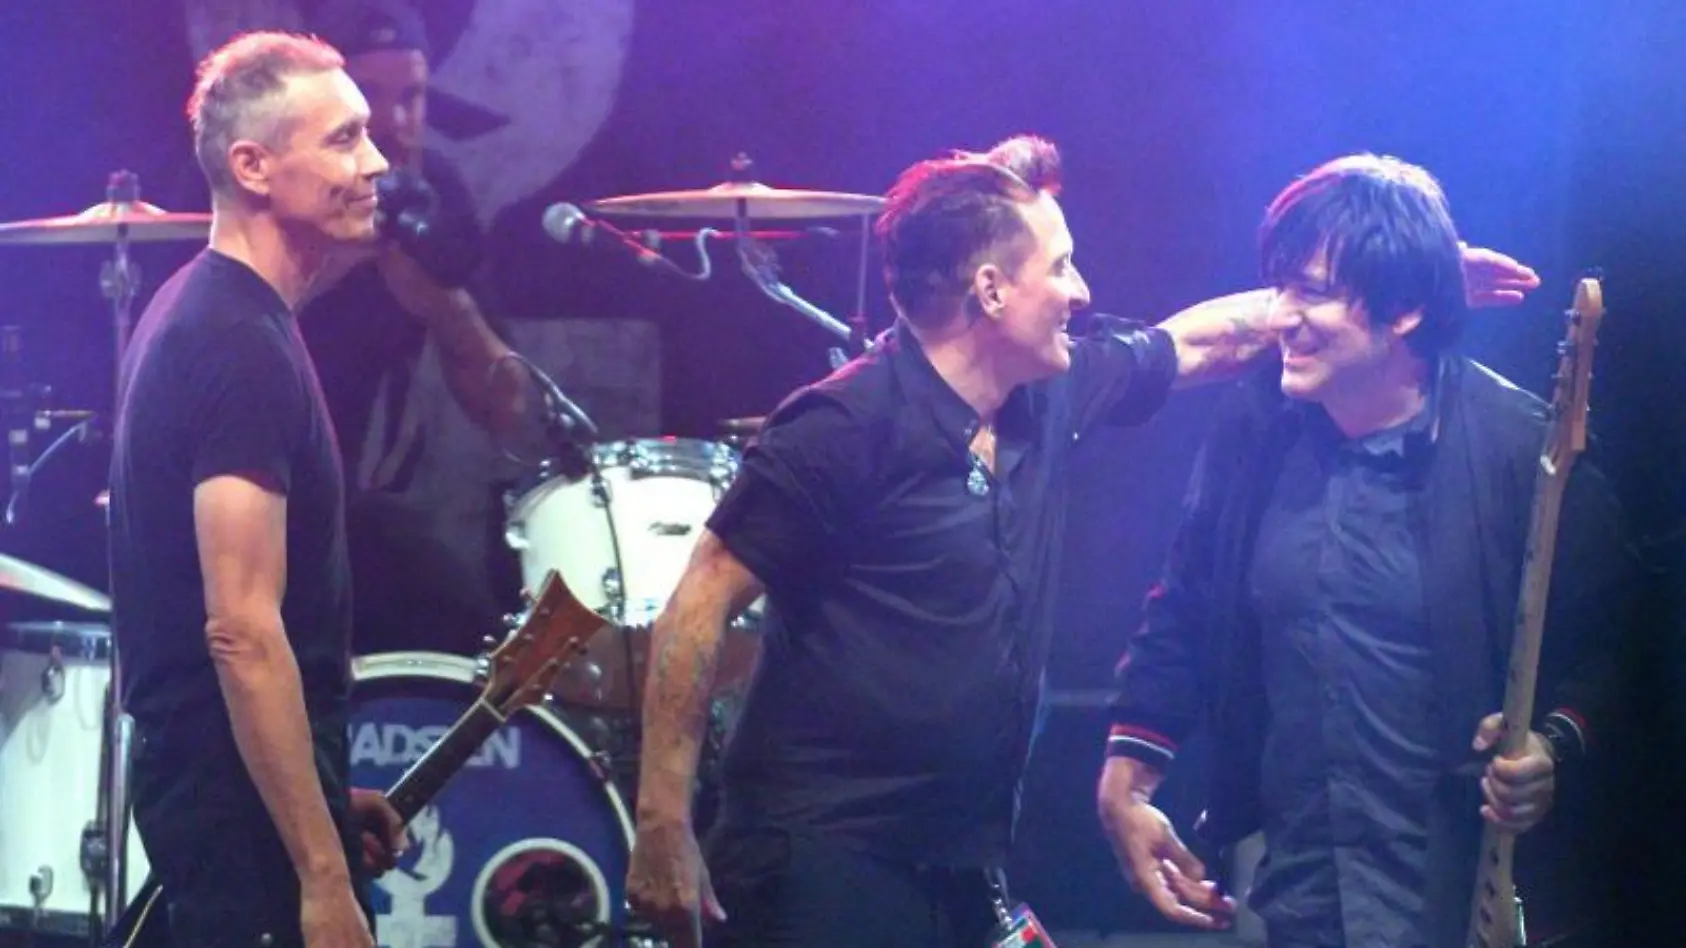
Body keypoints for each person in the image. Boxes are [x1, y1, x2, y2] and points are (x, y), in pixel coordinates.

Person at [623, 136, 1540, 948]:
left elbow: (1200, 344)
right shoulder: (841, 426)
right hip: (823, 865)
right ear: (991, 289)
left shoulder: (1046, 394)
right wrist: (664, 821)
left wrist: (1398, 284)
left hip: (961, 862)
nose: (1082, 290)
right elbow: (698, 604)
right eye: (1059, 268)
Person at [1098, 155, 1632, 948]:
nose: (1280, 316)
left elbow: (1621, 649)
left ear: (1406, 308)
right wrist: (1128, 779)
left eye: (1311, 291)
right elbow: (1186, 605)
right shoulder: (1256, 434)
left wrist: (1554, 746)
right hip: (1298, 891)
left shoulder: (1526, 454)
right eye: (1280, 286)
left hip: (1461, 899)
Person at [109, 31, 408, 948]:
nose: (378, 161)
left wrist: (319, 794)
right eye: (344, 139)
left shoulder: (222, 318)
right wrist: (320, 877)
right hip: (232, 823)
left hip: (235, 800)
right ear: (253, 165)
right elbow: (239, 631)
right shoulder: (235, 343)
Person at [298, 0, 536, 658]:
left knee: (477, 643)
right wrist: (336, 266)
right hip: (244, 492)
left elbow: (508, 406)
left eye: (414, 96)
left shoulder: (429, 188)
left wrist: (446, 307)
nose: (397, 124)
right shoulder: (273, 186)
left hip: (348, 508)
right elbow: (206, 339)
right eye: (369, 101)